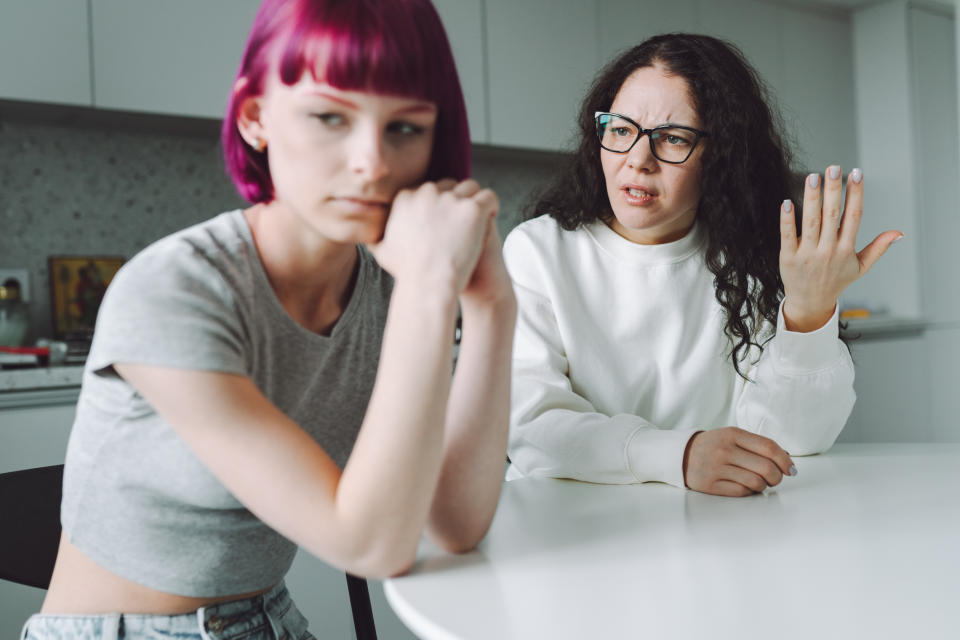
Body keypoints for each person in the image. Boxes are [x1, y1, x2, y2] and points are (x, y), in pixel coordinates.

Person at [23, 0, 516, 638]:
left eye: (405, 128)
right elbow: (371, 547)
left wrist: (491, 304)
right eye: (329, 117)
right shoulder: (175, 287)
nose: (373, 162)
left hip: (269, 620)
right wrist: (430, 289)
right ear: (256, 117)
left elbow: (456, 523)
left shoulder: (391, 288)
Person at [503, 33, 900, 498]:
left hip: (718, 530)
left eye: (672, 138)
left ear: (722, 158)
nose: (637, 160)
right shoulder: (538, 250)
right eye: (620, 129)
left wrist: (810, 313)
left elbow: (793, 443)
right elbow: (531, 424)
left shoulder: (750, 257)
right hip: (566, 529)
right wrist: (681, 455)